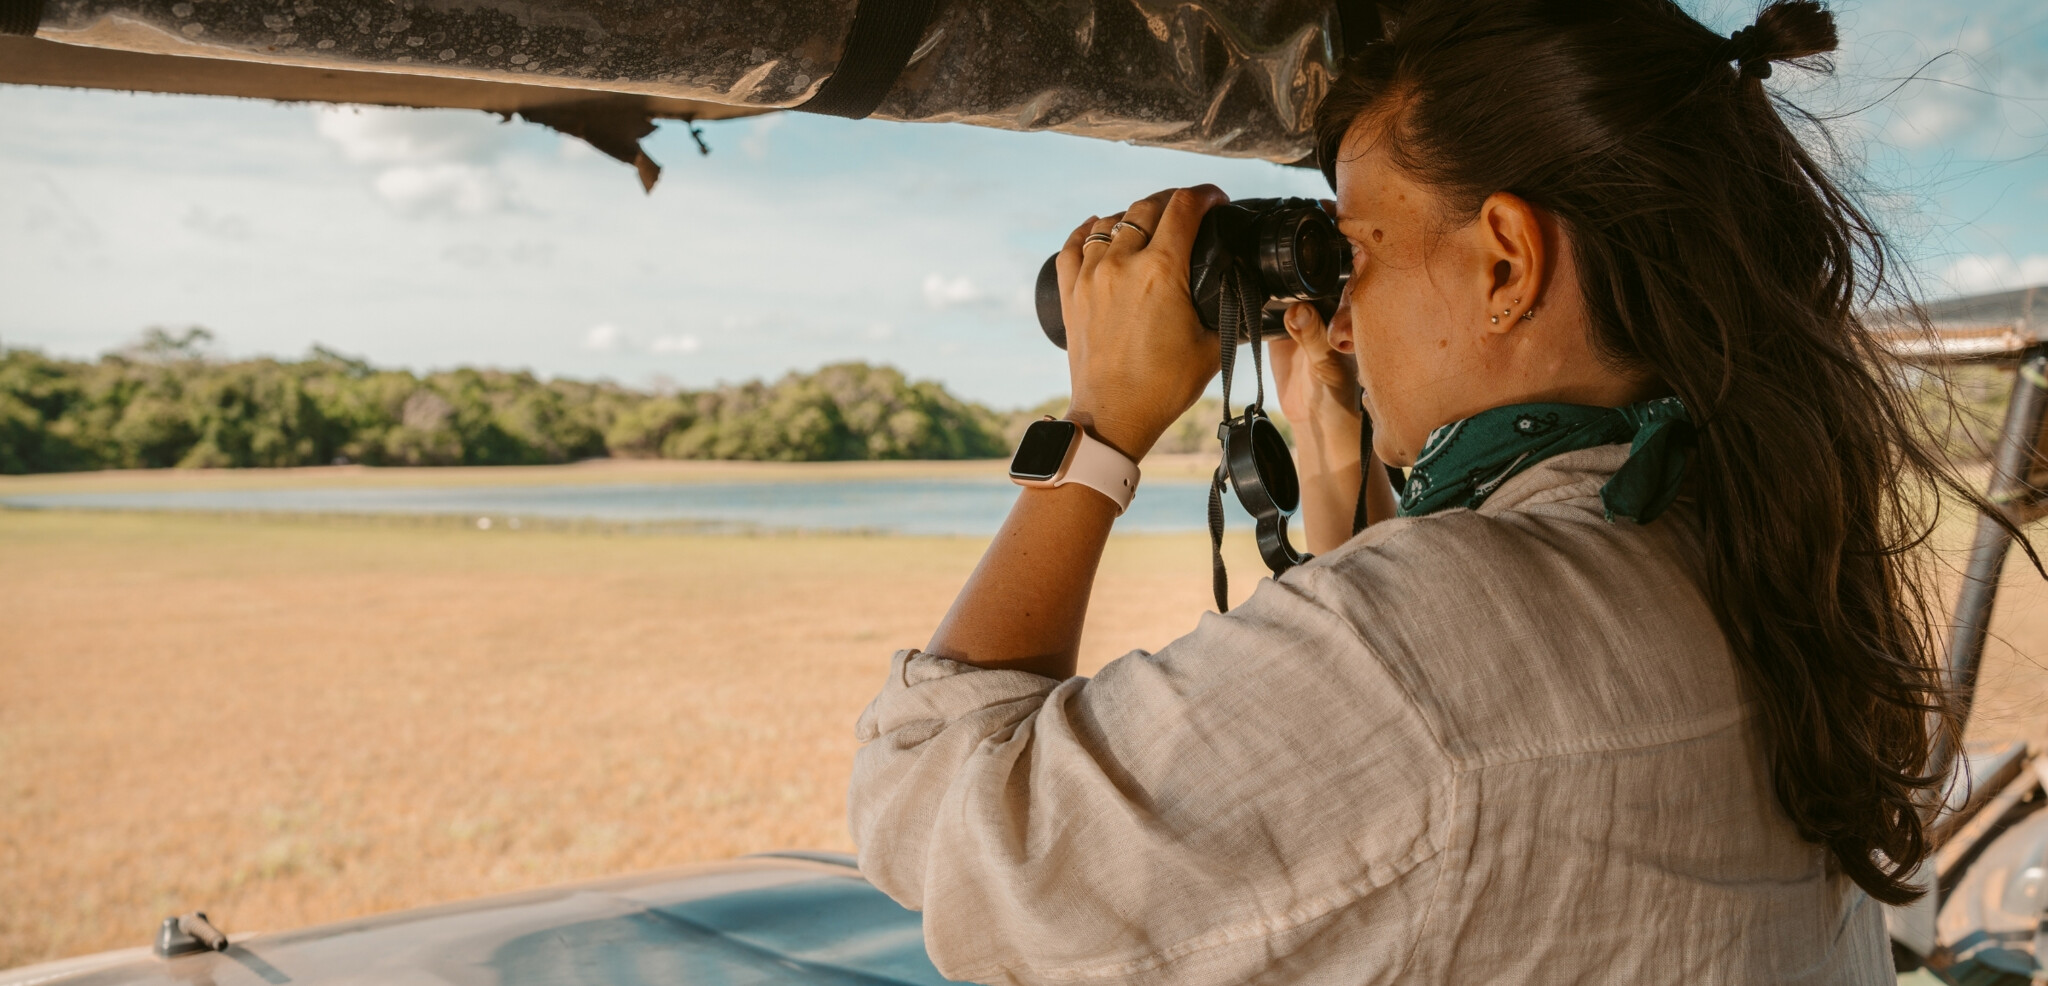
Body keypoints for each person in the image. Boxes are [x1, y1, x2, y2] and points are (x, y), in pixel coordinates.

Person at [848, 1, 2012, 981]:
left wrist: (1098, 427)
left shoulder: (1436, 631)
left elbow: (942, 816)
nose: (1342, 317)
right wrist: (1339, 469)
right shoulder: (1750, 545)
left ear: (1505, 260)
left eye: (1354, 252)